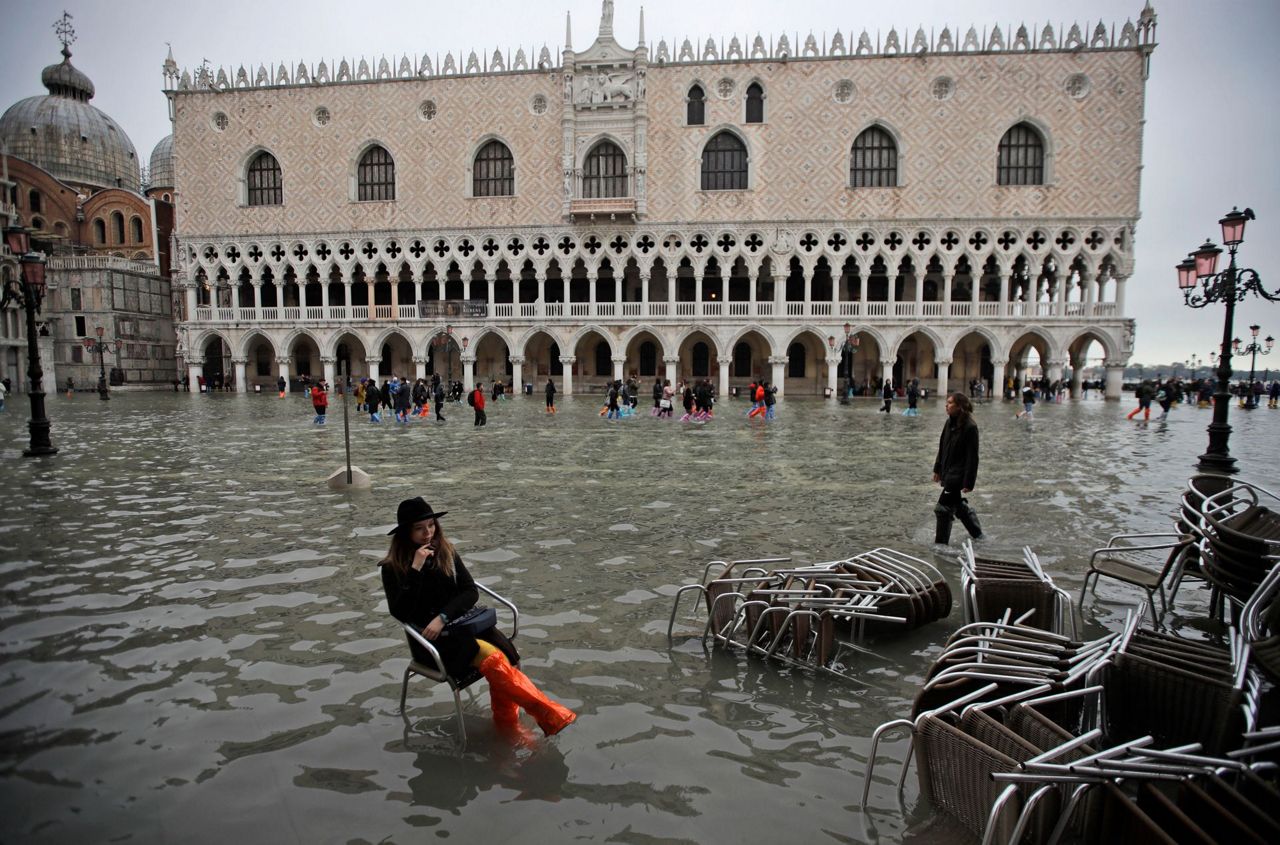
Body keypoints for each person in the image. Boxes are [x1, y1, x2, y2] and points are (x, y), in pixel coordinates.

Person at [379, 498, 575, 737]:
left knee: (504, 657)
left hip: (462, 627)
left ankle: (510, 728)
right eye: (420, 528)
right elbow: (401, 612)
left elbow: (470, 591)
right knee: (495, 660)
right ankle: (542, 717)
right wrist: (415, 570)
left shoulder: (446, 552)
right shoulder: (392, 567)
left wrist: (443, 616)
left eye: (431, 525)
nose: (428, 533)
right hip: (430, 643)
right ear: (405, 533)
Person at [932, 392, 983, 544]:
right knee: (957, 505)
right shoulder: (949, 423)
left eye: (950, 403)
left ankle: (940, 545)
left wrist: (968, 482)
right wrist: (937, 469)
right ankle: (978, 535)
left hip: (957, 476)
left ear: (959, 406)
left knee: (942, 508)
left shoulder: (970, 427)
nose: (946, 405)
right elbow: (942, 446)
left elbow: (972, 458)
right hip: (947, 471)